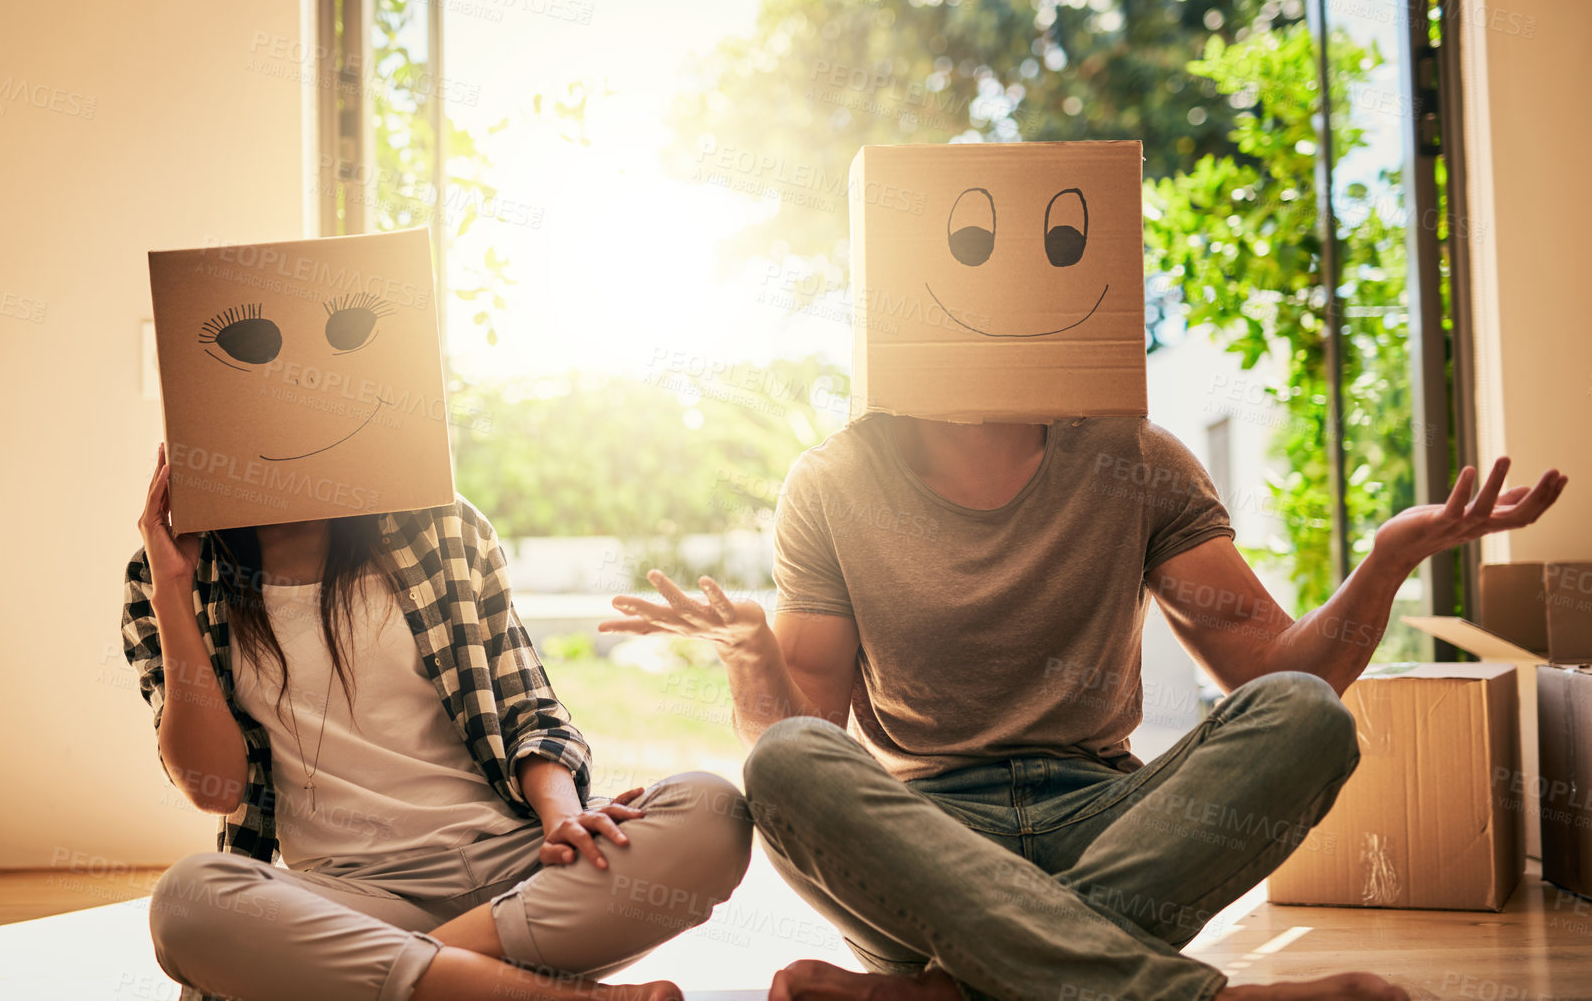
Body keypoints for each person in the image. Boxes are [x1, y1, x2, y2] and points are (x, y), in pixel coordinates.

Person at [605, 412, 1567, 1001]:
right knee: (782, 764)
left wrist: (1387, 560)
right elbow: (799, 728)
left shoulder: (1132, 455)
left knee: (1308, 713)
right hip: (923, 845)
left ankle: (956, 992)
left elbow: (1273, 666)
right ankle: (1173, 996)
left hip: (1110, 825)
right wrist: (746, 652)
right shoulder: (832, 481)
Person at [122, 443, 752, 1001]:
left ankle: (414, 982)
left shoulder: (441, 528)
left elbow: (529, 711)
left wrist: (564, 816)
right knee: (189, 902)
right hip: (358, 898)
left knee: (711, 811)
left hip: (520, 867)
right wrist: (171, 592)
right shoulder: (169, 575)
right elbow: (214, 789)